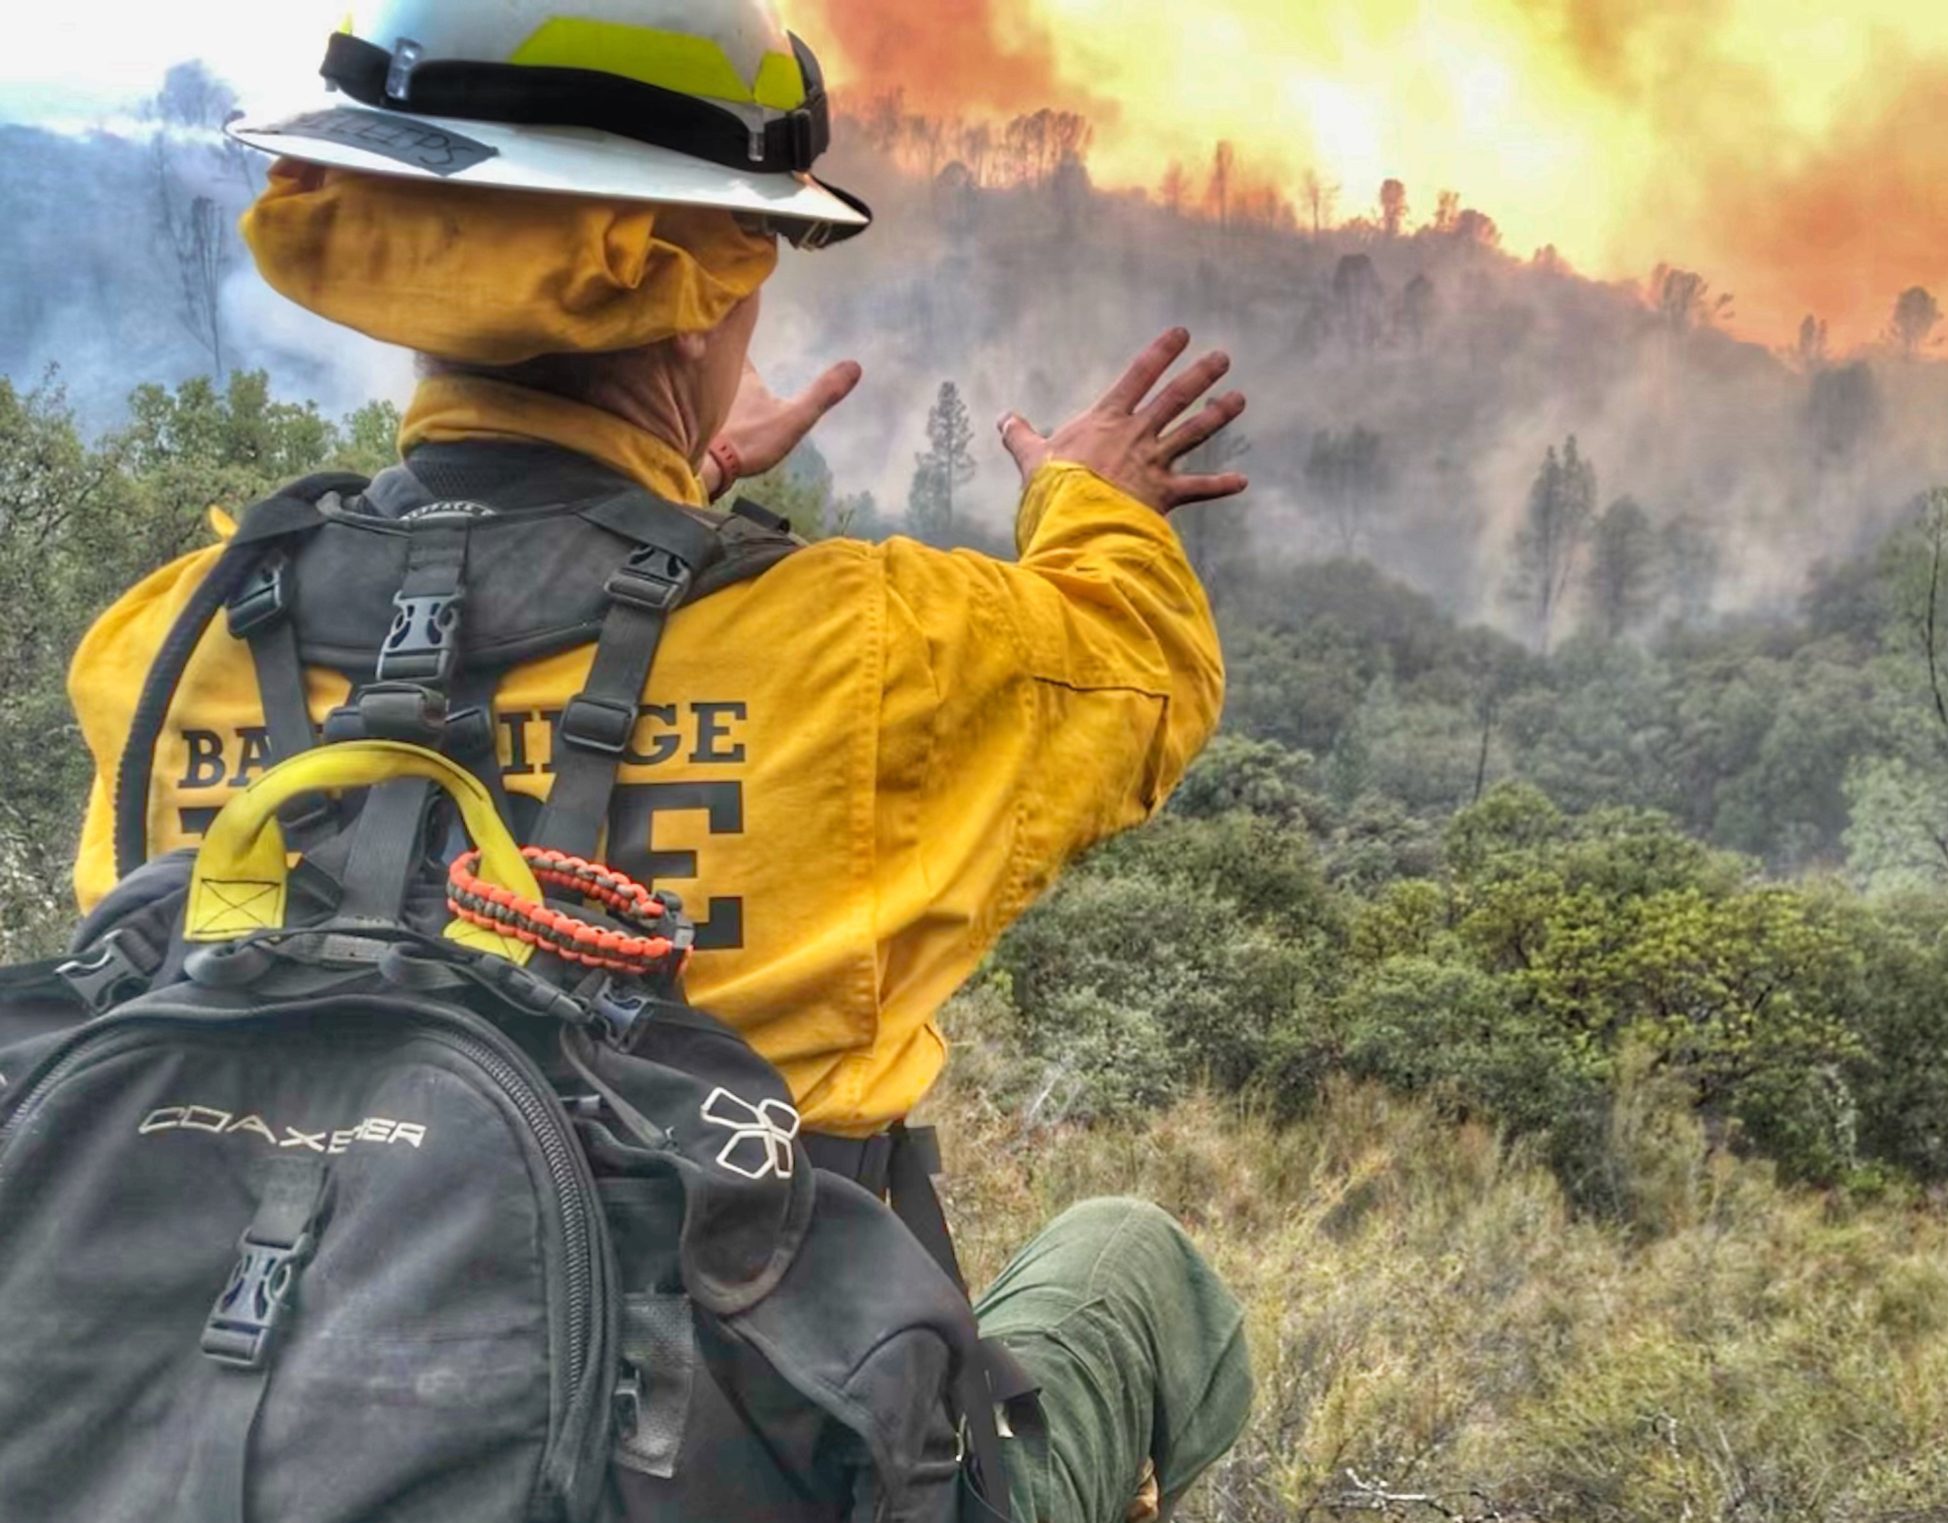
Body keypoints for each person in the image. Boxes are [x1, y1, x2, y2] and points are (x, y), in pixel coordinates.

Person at [60, 1, 1252, 1516]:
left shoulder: (168, 638)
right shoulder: (877, 648)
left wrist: (651, 484)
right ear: (697, 294)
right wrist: (1091, 496)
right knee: (1127, 1266)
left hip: (261, 1436)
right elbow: (1138, 662)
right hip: (718, 1454)